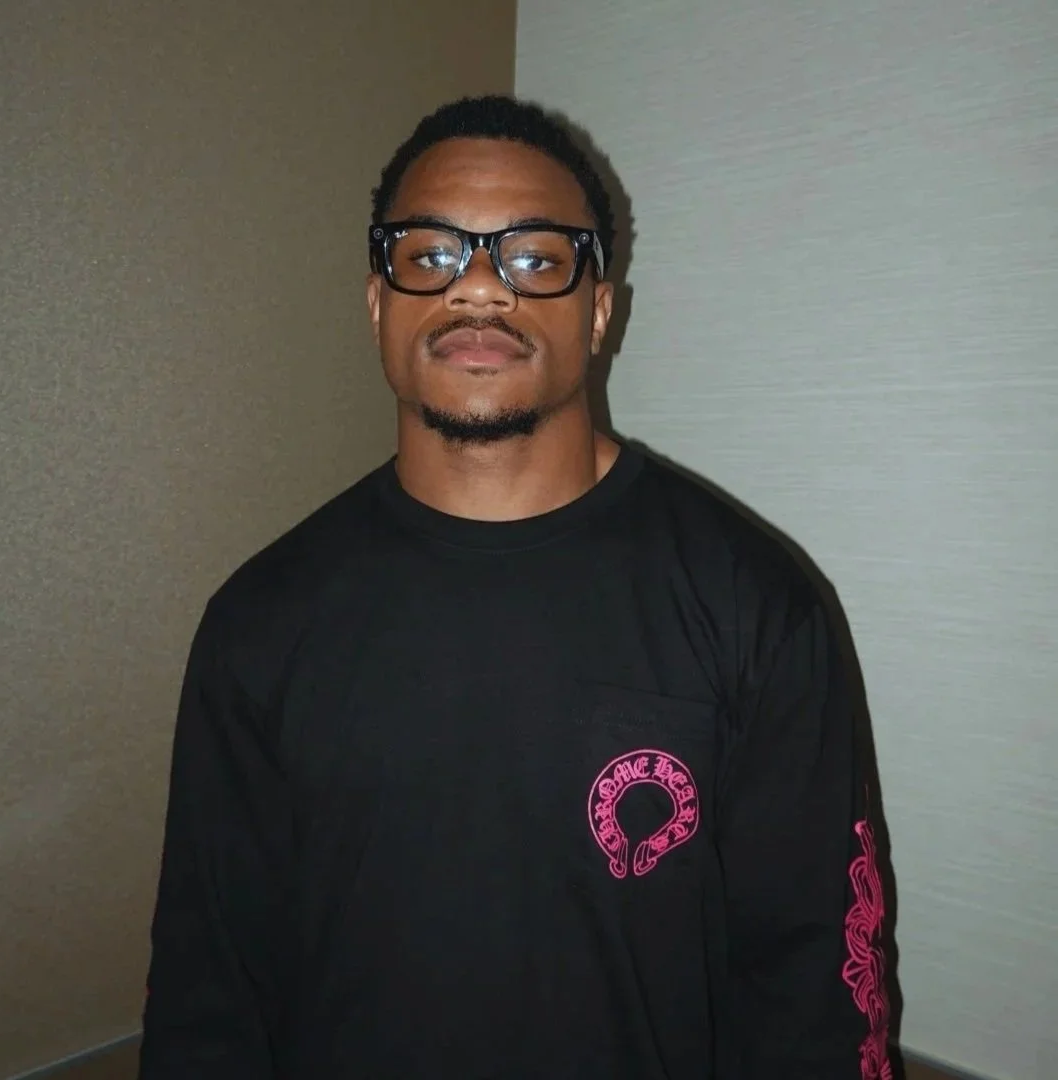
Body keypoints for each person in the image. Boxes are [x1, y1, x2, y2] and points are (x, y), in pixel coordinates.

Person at [140, 95, 891, 1080]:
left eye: (536, 258)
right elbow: (208, 989)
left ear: (600, 309)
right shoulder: (261, 622)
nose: (480, 290)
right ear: (378, 303)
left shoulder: (755, 605)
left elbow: (817, 995)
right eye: (430, 254)